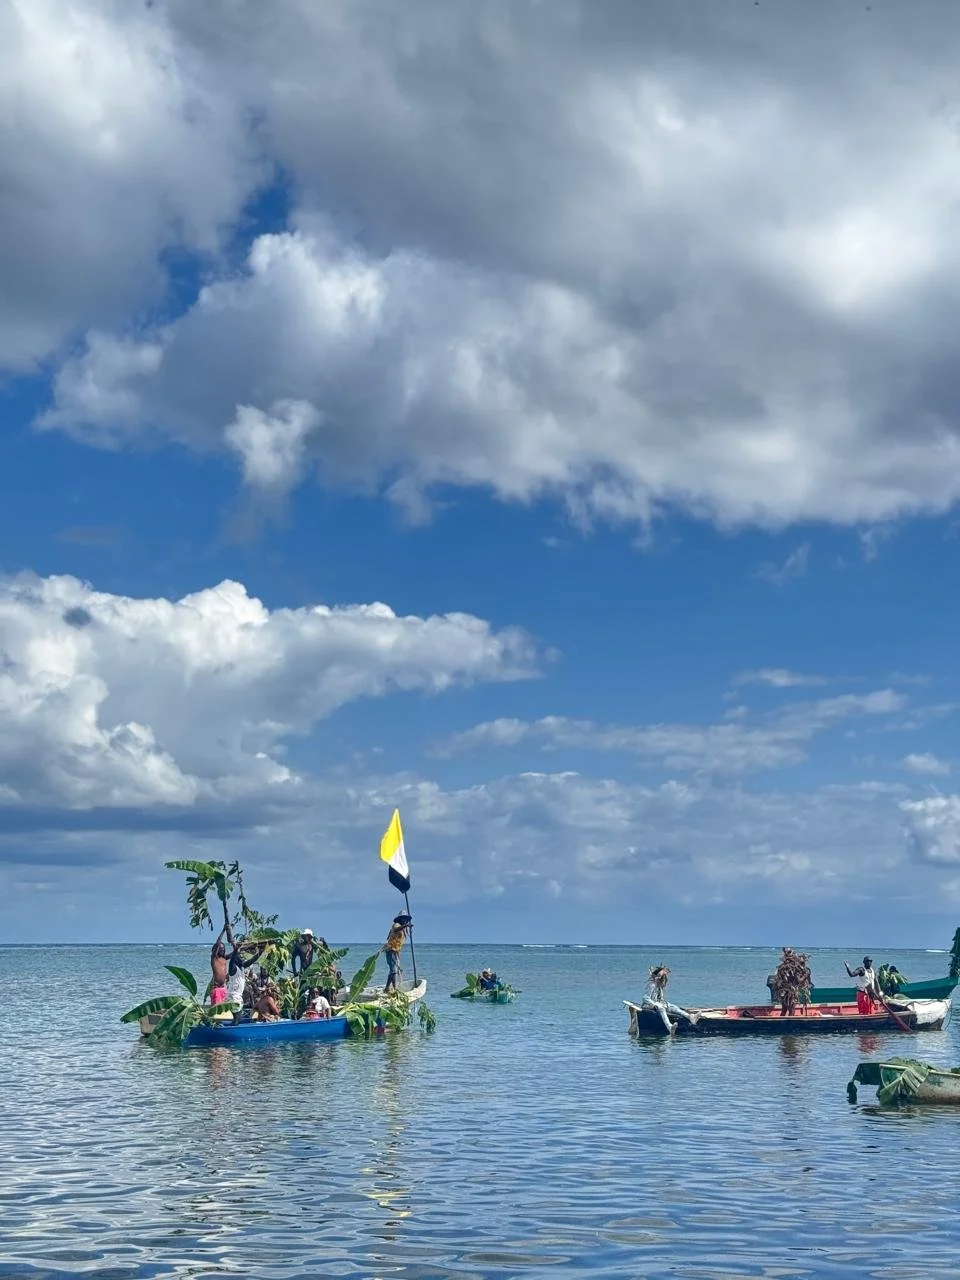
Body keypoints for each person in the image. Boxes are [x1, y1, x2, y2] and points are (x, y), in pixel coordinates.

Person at [383, 913, 411, 993]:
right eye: (403, 919)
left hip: (395, 951)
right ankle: (394, 988)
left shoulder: (402, 929)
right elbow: (396, 929)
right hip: (390, 949)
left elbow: (398, 943)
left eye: (406, 919)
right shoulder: (396, 925)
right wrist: (406, 925)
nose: (404, 920)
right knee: (393, 970)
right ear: (400, 919)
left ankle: (387, 988)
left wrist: (398, 956)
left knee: (393, 970)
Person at [210, 933, 229, 1006]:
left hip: (223, 988)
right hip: (216, 988)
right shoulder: (214, 958)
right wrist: (224, 930)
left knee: (223, 1011)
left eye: (223, 948)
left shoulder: (224, 959)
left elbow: (234, 953)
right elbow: (217, 943)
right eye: (220, 948)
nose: (222, 949)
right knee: (216, 1011)